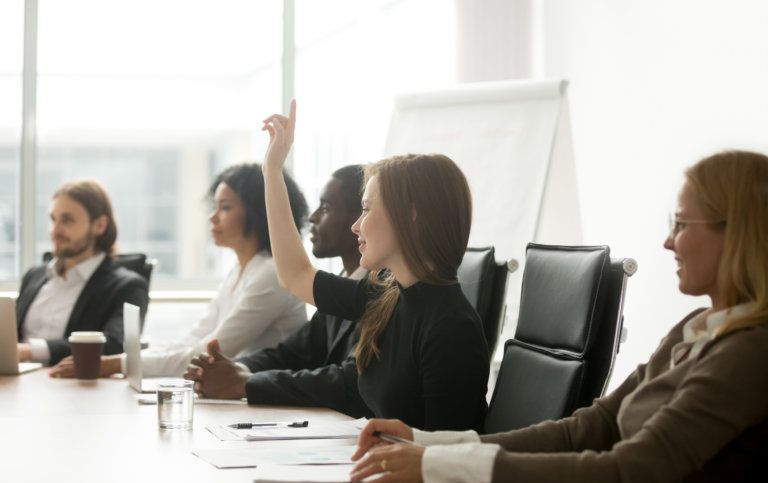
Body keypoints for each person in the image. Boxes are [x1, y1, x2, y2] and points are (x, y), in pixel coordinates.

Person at [349, 150, 768, 483]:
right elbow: (587, 429)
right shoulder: (694, 330)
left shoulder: (750, 352)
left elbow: (625, 474)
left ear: (737, 232)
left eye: (681, 224)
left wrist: (437, 464)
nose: (668, 242)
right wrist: (431, 445)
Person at [258, 100, 489, 431]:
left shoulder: (451, 327)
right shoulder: (386, 297)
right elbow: (295, 274)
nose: (356, 226)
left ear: (410, 214)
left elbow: (446, 456)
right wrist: (272, 172)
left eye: (366, 209)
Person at [49, 163, 309, 378]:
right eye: (214, 207)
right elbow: (192, 338)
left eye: (225, 207)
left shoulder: (271, 273)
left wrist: (117, 364)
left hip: (274, 406)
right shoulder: (240, 271)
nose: (213, 217)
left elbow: (209, 352)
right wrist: (124, 361)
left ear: (258, 213)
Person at [183, 165, 372, 418]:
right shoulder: (345, 282)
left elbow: (348, 380)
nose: (313, 218)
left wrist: (244, 381)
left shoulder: (379, 291)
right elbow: (294, 352)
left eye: (326, 208)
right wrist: (234, 369)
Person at [16, 180, 149, 367]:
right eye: (53, 219)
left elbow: (116, 344)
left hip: (74, 386)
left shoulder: (127, 287)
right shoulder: (34, 276)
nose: (55, 230)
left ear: (99, 225)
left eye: (67, 220)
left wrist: (29, 351)